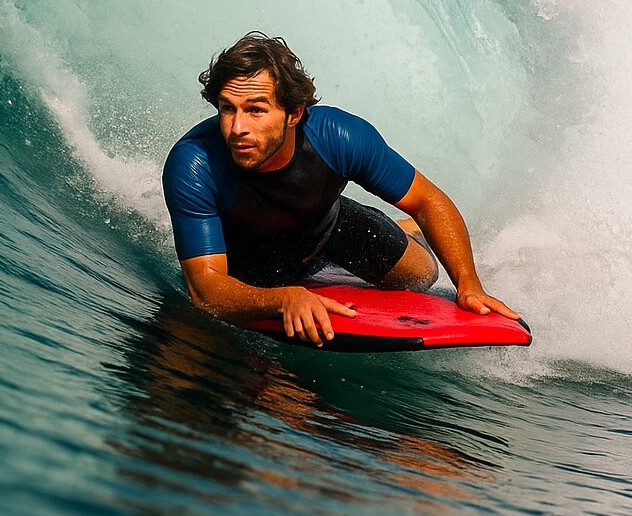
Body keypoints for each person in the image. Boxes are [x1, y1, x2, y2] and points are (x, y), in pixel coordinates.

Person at [161, 32, 520, 347]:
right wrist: (282, 300)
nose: (237, 127)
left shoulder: (339, 137)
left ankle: (403, 231)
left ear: (294, 113)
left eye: (256, 110)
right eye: (227, 108)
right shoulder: (195, 165)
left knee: (419, 276)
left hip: (326, 228)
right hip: (248, 261)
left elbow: (427, 201)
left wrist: (469, 284)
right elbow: (205, 290)